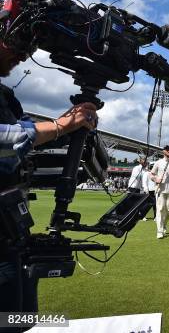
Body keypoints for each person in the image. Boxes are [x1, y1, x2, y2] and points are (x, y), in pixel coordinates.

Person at [0, 42, 98, 317]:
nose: (22, 55)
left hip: (11, 229)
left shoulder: (6, 96)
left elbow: (28, 134)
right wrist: (59, 127)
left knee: (19, 317)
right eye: (14, 43)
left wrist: (71, 123)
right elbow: (9, 138)